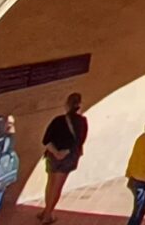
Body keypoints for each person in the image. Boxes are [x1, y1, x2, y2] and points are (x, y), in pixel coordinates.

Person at [38, 93, 88, 223]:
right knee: (57, 187)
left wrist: (55, 152)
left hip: (52, 156)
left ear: (67, 105)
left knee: (50, 183)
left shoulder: (58, 120)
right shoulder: (82, 122)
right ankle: (48, 215)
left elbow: (46, 140)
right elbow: (80, 141)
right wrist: (66, 152)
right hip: (68, 158)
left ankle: (46, 211)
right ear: (79, 105)